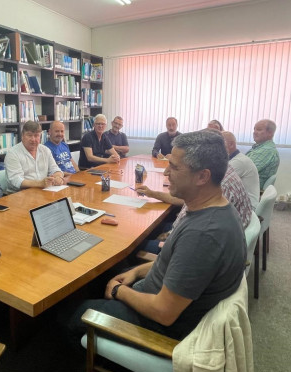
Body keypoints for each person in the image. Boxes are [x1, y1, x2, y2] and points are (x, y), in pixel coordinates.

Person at [69, 130, 246, 340]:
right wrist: (137, 273)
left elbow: (164, 313)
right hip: (156, 291)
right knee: (108, 275)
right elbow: (175, 262)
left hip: (155, 326)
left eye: (174, 167)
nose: (166, 173)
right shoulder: (212, 210)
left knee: (69, 314)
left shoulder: (204, 235)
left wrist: (119, 292)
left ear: (202, 176)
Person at [5, 120, 64, 192]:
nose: (33, 139)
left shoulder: (45, 150)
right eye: (29, 135)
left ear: (40, 137)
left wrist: (58, 177)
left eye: (36, 136)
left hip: (43, 191)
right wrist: (40, 183)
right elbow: (16, 180)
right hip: (20, 194)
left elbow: (55, 169)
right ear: (22, 136)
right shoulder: (13, 153)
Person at [222, 131, 259, 208]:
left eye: (218, 145)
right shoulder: (236, 158)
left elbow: (218, 184)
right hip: (241, 203)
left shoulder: (238, 162)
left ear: (231, 144)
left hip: (247, 208)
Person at [246, 119, 280, 189]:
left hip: (248, 192)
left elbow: (244, 170)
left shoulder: (266, 150)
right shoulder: (259, 148)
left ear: (270, 133)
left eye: (259, 130)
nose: (254, 132)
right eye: (254, 129)